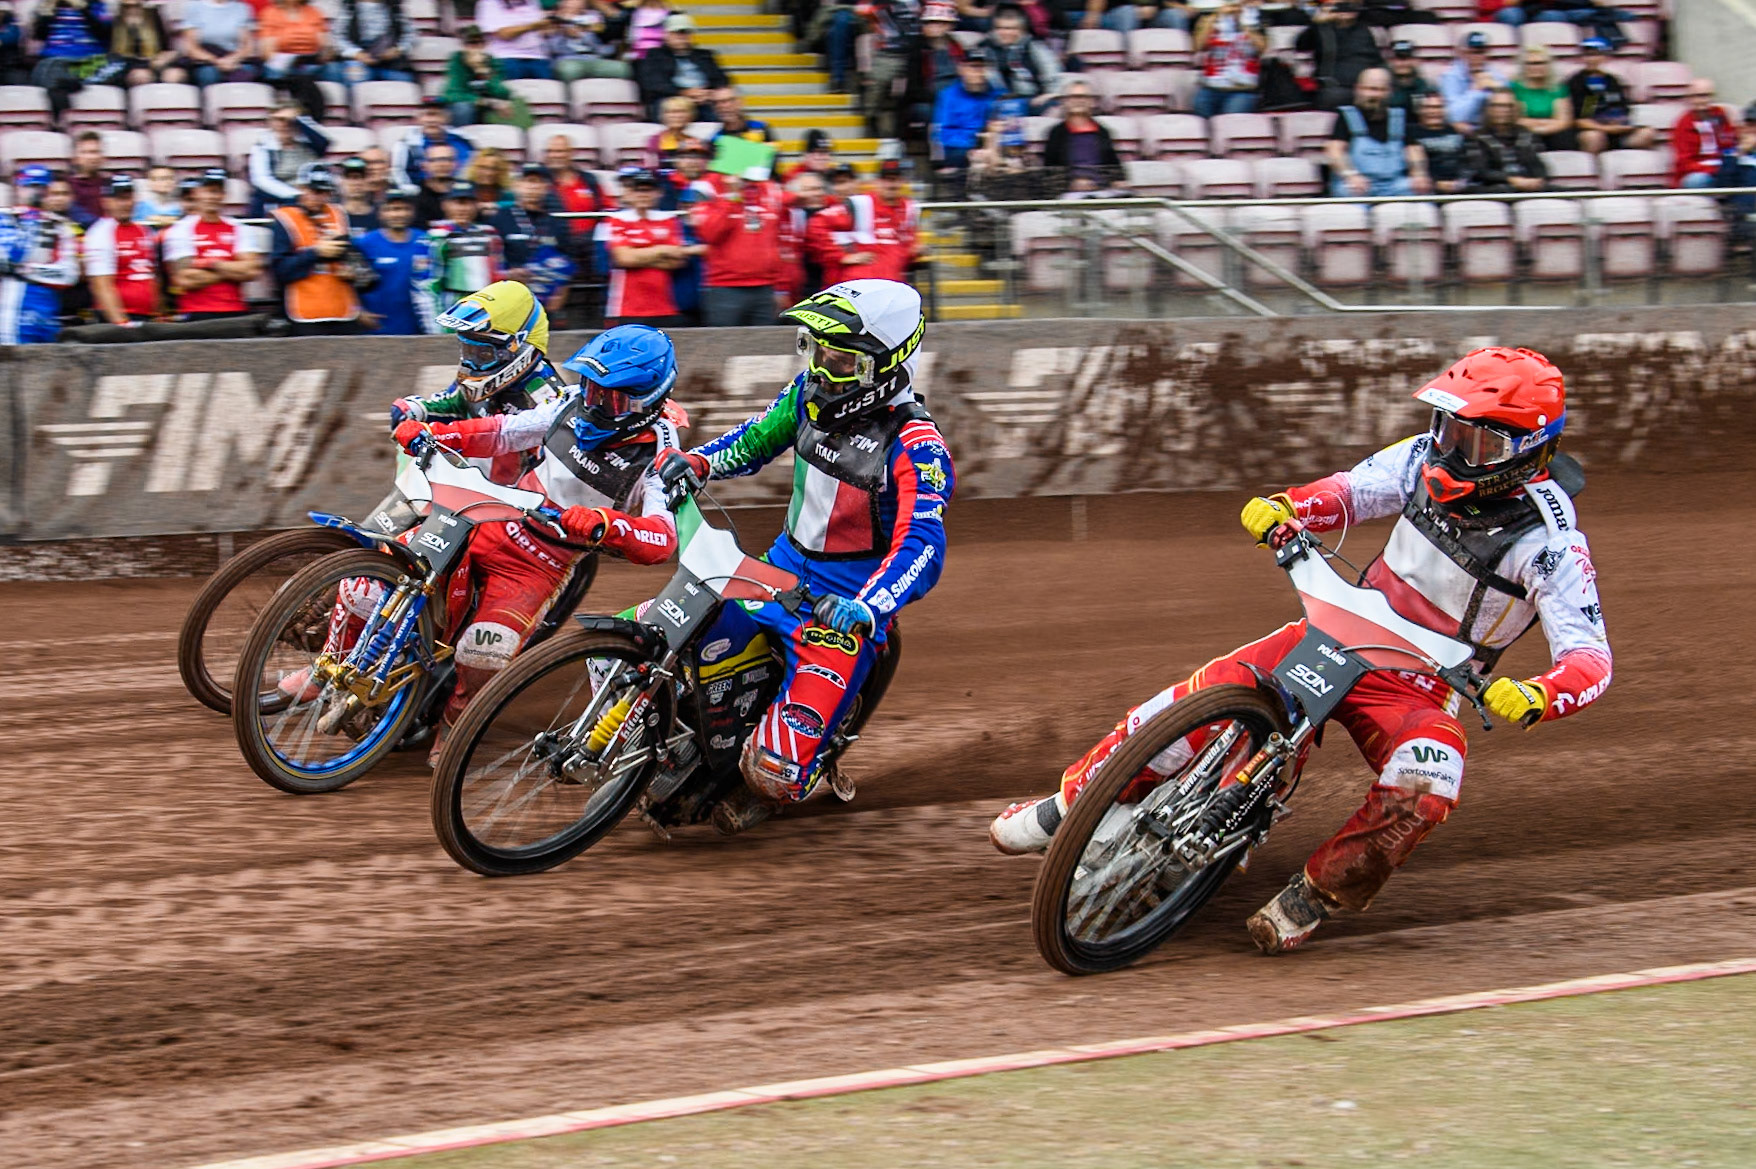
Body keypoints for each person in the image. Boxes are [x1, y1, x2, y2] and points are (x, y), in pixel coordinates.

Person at [991, 348, 1612, 956]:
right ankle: (1070, 802)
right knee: (1204, 696)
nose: (1449, 449)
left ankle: (1316, 895)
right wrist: (1289, 508)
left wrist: (1538, 694)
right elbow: (1349, 493)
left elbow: (1591, 659)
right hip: (1342, 629)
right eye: (1446, 426)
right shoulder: (1421, 458)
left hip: (1422, 684)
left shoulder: (1552, 543)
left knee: (1430, 779)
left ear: (1524, 450)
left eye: (1473, 442)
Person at [659, 279, 953, 833]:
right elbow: (751, 442)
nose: (821, 367)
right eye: (816, 349)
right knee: (652, 634)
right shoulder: (804, 394)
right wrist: (697, 463)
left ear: (880, 365)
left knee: (775, 774)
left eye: (839, 358)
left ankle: (805, 766)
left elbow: (923, 544)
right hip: (776, 572)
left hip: (842, 609)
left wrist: (870, 608)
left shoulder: (917, 445)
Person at [390, 314, 686, 757]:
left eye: (611, 398)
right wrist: (436, 434)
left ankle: (454, 720)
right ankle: (324, 672)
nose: (593, 402)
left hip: (539, 563)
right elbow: (502, 433)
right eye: (590, 386)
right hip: (488, 518)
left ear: (648, 400)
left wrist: (609, 525)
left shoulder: (663, 451)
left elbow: (664, 538)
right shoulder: (567, 401)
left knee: (486, 653)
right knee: (386, 571)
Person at [387, 279, 565, 484]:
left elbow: (555, 476)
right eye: (468, 350)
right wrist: (417, 408)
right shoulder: (477, 377)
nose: (473, 361)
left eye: (483, 353)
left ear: (518, 347)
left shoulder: (546, 398)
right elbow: (457, 403)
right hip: (474, 488)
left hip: (515, 502)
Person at [269, 162, 365, 334]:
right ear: (301, 188)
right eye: (315, 191)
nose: (320, 197)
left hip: (342, 308)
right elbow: (280, 271)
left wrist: (352, 271)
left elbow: (352, 255)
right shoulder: (286, 218)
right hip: (305, 311)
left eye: (325, 192)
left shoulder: (339, 214)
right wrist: (316, 253)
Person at [595, 168, 693, 327]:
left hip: (665, 307)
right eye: (637, 190)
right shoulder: (616, 219)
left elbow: (677, 260)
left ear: (658, 193)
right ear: (629, 193)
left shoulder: (669, 220)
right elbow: (623, 258)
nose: (643, 194)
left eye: (648, 190)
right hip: (625, 308)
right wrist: (662, 250)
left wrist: (638, 255)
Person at [164, 168, 265, 320]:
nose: (213, 196)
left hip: (234, 310)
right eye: (208, 191)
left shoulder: (238, 228)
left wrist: (211, 263)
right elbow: (184, 279)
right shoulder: (180, 230)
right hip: (196, 312)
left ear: (224, 195)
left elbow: (252, 271)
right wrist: (232, 269)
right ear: (197, 193)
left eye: (217, 191)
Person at [691, 170, 786, 327]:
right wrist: (732, 195)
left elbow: (778, 241)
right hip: (725, 287)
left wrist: (781, 287)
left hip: (765, 288)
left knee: (764, 346)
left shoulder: (768, 187)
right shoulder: (707, 185)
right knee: (723, 347)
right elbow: (709, 233)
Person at [0, 167, 81, 345]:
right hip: (9, 311)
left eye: (41, 186)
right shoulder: (3, 220)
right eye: (30, 186)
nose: (36, 191)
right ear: (18, 188)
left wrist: (24, 269)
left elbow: (68, 275)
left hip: (46, 313)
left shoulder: (61, 227)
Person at [808, 157, 918, 287]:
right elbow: (817, 224)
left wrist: (914, 252)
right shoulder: (861, 204)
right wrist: (840, 256)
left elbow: (906, 247)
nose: (891, 184)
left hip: (891, 285)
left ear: (902, 181)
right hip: (858, 286)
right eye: (886, 179)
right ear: (877, 182)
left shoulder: (908, 208)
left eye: (895, 179)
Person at [1326, 68, 1430, 197]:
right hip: (1358, 184)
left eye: (1381, 90)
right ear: (1358, 89)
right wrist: (1350, 175)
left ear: (1390, 91)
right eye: (1370, 89)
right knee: (1348, 194)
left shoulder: (1399, 117)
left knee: (1420, 192)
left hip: (1394, 183)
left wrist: (1419, 174)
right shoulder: (1346, 116)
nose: (1375, 95)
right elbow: (1335, 150)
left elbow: (1413, 149)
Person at [493, 163, 575, 317]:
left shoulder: (556, 222)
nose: (533, 186)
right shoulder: (500, 218)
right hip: (510, 298)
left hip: (546, 303)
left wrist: (560, 293)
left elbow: (567, 260)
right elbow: (491, 260)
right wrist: (507, 274)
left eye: (538, 182)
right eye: (528, 181)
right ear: (516, 185)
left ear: (546, 187)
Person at [84, 174, 165, 326]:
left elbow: (152, 275)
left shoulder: (144, 231)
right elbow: (101, 286)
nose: (125, 203)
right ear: (106, 202)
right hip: (118, 321)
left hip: (146, 318)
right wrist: (121, 323)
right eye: (119, 199)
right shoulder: (100, 233)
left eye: (128, 197)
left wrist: (158, 315)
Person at [355, 186, 436, 335]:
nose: (398, 214)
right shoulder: (364, 243)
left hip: (419, 327)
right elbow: (347, 281)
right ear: (380, 213)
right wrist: (357, 311)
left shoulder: (426, 240)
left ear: (413, 212)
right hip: (377, 327)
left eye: (404, 209)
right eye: (391, 209)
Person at [932, 49, 1002, 195]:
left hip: (988, 145)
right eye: (974, 67)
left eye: (983, 67)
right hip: (954, 148)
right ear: (961, 69)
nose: (979, 72)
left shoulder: (997, 94)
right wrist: (971, 147)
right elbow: (940, 133)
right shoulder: (947, 95)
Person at [425, 183, 505, 310]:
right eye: (458, 202)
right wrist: (434, 324)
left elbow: (499, 273)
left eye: (469, 203)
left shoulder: (490, 233)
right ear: (445, 205)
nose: (463, 208)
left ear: (477, 205)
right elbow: (428, 285)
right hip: (453, 306)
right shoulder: (437, 236)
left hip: (488, 305)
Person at [635, 13, 729, 122]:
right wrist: (683, 93)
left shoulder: (705, 55)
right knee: (666, 107)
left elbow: (722, 79)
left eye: (686, 32)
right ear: (666, 34)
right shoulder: (654, 55)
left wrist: (708, 93)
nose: (682, 37)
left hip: (704, 99)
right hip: (671, 98)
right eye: (677, 33)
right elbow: (652, 84)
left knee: (722, 108)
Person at [1567, 37, 1652, 156]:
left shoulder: (1613, 81)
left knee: (1647, 133)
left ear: (1604, 57)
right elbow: (1580, 119)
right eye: (1588, 55)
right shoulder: (1576, 82)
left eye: (1596, 55)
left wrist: (1621, 124)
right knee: (1594, 137)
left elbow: (1623, 108)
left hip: (1616, 128)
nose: (1591, 59)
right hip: (1592, 129)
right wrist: (1606, 128)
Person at [1295, 0, 1382, 112]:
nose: (1345, 9)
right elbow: (1301, 46)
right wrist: (1316, 24)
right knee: (1334, 97)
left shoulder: (1366, 28)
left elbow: (1375, 59)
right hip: (1335, 86)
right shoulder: (1322, 29)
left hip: (1366, 83)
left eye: (1349, 5)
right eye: (1341, 5)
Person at [1041, 78, 1122, 195]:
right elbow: (1050, 172)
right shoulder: (1056, 134)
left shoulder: (1103, 132)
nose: (1078, 101)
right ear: (1065, 102)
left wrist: (1117, 181)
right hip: (1069, 194)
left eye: (1083, 96)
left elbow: (1114, 168)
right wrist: (1071, 183)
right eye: (1074, 97)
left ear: (1092, 102)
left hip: (1102, 192)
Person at [248, 102, 331, 216]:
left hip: (314, 196)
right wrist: (297, 196)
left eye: (289, 120)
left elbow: (324, 143)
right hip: (282, 199)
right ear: (271, 122)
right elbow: (262, 180)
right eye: (279, 119)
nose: (284, 124)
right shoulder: (263, 146)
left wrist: (299, 119)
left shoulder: (309, 143)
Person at [859, 0, 922, 142]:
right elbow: (863, 10)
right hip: (888, 51)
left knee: (912, 89)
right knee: (879, 80)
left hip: (917, 51)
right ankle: (870, 117)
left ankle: (903, 130)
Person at [1192, 1, 1265, 118]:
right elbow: (1198, 46)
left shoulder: (1255, 19)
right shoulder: (1209, 19)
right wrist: (1216, 16)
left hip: (1242, 91)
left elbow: (1261, 49)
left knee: (1230, 124)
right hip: (1210, 88)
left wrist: (1244, 23)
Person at [985, 4, 1061, 113]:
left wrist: (1049, 95)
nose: (1006, 33)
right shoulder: (985, 48)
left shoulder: (1034, 46)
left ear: (1022, 30)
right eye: (1000, 28)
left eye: (1012, 29)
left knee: (1053, 108)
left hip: (1032, 99)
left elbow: (1052, 72)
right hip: (998, 101)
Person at [1464, 92, 1547, 192]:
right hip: (1493, 189)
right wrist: (1512, 180)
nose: (1504, 110)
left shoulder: (1527, 134)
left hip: (1528, 187)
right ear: (1488, 109)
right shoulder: (1476, 137)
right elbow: (1480, 171)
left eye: (1509, 106)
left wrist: (1537, 180)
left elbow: (1538, 165)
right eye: (1498, 106)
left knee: (1566, 192)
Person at [443, 25, 522, 126]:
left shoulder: (492, 61)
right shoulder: (457, 60)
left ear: (484, 44)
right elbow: (453, 94)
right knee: (464, 108)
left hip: (486, 107)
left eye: (479, 43)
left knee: (514, 105)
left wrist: (484, 71)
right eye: (471, 43)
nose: (475, 47)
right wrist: (487, 102)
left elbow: (502, 92)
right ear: (463, 45)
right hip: (465, 106)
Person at [328, 0, 416, 84]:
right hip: (358, 59)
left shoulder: (395, 8)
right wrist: (356, 54)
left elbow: (411, 34)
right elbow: (338, 36)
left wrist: (398, 49)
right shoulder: (349, 8)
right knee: (356, 76)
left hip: (390, 62)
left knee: (405, 79)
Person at [1672, 80, 1737, 191]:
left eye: (1706, 96)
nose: (1701, 100)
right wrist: (1714, 169)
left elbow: (1730, 143)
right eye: (1696, 96)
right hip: (1700, 172)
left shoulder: (1720, 114)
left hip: (1725, 167)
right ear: (1689, 98)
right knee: (1696, 181)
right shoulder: (1683, 123)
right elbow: (1684, 163)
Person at [1438, 30, 1508, 134]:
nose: (1477, 57)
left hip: (1490, 130)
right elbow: (1453, 116)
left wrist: (1496, 88)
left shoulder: (1496, 76)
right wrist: (1476, 91)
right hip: (1459, 133)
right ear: (1462, 53)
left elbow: (1506, 111)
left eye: (1481, 52)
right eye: (1472, 52)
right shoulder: (1450, 77)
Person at [1508, 45, 1575, 151]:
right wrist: (1544, 123)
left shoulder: (1558, 87)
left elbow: (1564, 121)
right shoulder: (1515, 87)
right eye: (1531, 64)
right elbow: (1515, 119)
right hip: (1526, 132)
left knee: (1566, 138)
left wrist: (1537, 125)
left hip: (1556, 132)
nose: (1536, 67)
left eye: (1541, 63)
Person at [178, 0, 260, 85]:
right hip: (206, 59)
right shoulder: (194, 7)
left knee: (247, 71)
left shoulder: (242, 8)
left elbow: (248, 46)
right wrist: (217, 61)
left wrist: (232, 59)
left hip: (235, 59)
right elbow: (191, 47)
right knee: (208, 74)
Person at [547, 0, 632, 81]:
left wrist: (616, 47)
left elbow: (600, 49)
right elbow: (553, 49)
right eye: (568, 2)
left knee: (623, 69)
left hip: (593, 60)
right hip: (569, 61)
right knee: (568, 69)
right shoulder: (553, 21)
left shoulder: (592, 19)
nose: (571, 4)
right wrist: (563, 33)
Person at [109, 0, 186, 86]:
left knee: (174, 75)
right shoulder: (113, 22)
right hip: (127, 66)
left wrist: (166, 57)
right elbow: (113, 55)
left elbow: (167, 48)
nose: (133, 10)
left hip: (154, 62)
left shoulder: (154, 16)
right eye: (128, 7)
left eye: (137, 6)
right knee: (141, 76)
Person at [472, 0, 554, 80]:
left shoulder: (533, 2)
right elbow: (504, 34)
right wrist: (532, 26)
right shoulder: (488, 3)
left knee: (548, 90)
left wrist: (549, 29)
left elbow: (541, 31)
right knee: (509, 91)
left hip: (538, 57)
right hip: (505, 58)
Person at [257, 0, 331, 87]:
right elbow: (267, 53)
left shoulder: (314, 12)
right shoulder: (270, 13)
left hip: (311, 63)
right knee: (277, 70)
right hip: (283, 65)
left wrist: (325, 54)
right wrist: (291, 60)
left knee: (333, 68)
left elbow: (325, 45)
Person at [1411, 93, 1469, 193]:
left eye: (1438, 107)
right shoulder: (1411, 132)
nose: (1433, 111)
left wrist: (1461, 182)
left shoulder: (1456, 131)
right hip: (1427, 187)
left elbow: (1467, 161)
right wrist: (1435, 183)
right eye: (1428, 107)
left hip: (1460, 185)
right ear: (1420, 110)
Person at [645, 94, 707, 169]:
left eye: (681, 112)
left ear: (691, 116)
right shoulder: (655, 141)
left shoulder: (696, 142)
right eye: (670, 112)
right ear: (663, 116)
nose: (676, 116)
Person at [412, 142, 463, 228]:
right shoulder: (415, 200)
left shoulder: (470, 193)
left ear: (457, 164)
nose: (442, 164)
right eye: (435, 160)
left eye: (448, 159)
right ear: (424, 165)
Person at [67, 132, 107, 227]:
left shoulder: (110, 184)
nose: (92, 157)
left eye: (96, 152)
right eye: (86, 152)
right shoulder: (67, 186)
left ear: (103, 157)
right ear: (75, 158)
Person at [1385, 39, 1435, 111]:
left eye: (1407, 59)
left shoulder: (1424, 87)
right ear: (1390, 61)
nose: (1403, 64)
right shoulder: (1385, 86)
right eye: (1399, 59)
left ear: (1415, 61)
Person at [337, 156, 380, 235]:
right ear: (341, 181)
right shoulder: (332, 215)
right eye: (349, 177)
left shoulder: (382, 216)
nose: (356, 183)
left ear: (370, 180)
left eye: (361, 177)